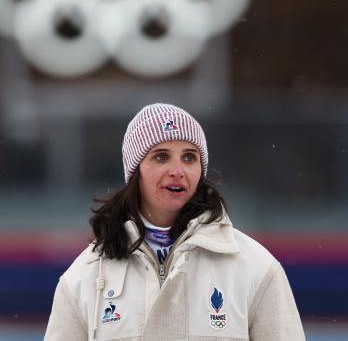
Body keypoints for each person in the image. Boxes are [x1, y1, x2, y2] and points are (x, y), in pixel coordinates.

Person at [43, 103, 305, 341]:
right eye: (161, 157)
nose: (178, 171)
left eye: (189, 157)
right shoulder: (83, 278)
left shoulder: (256, 269)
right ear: (136, 171)